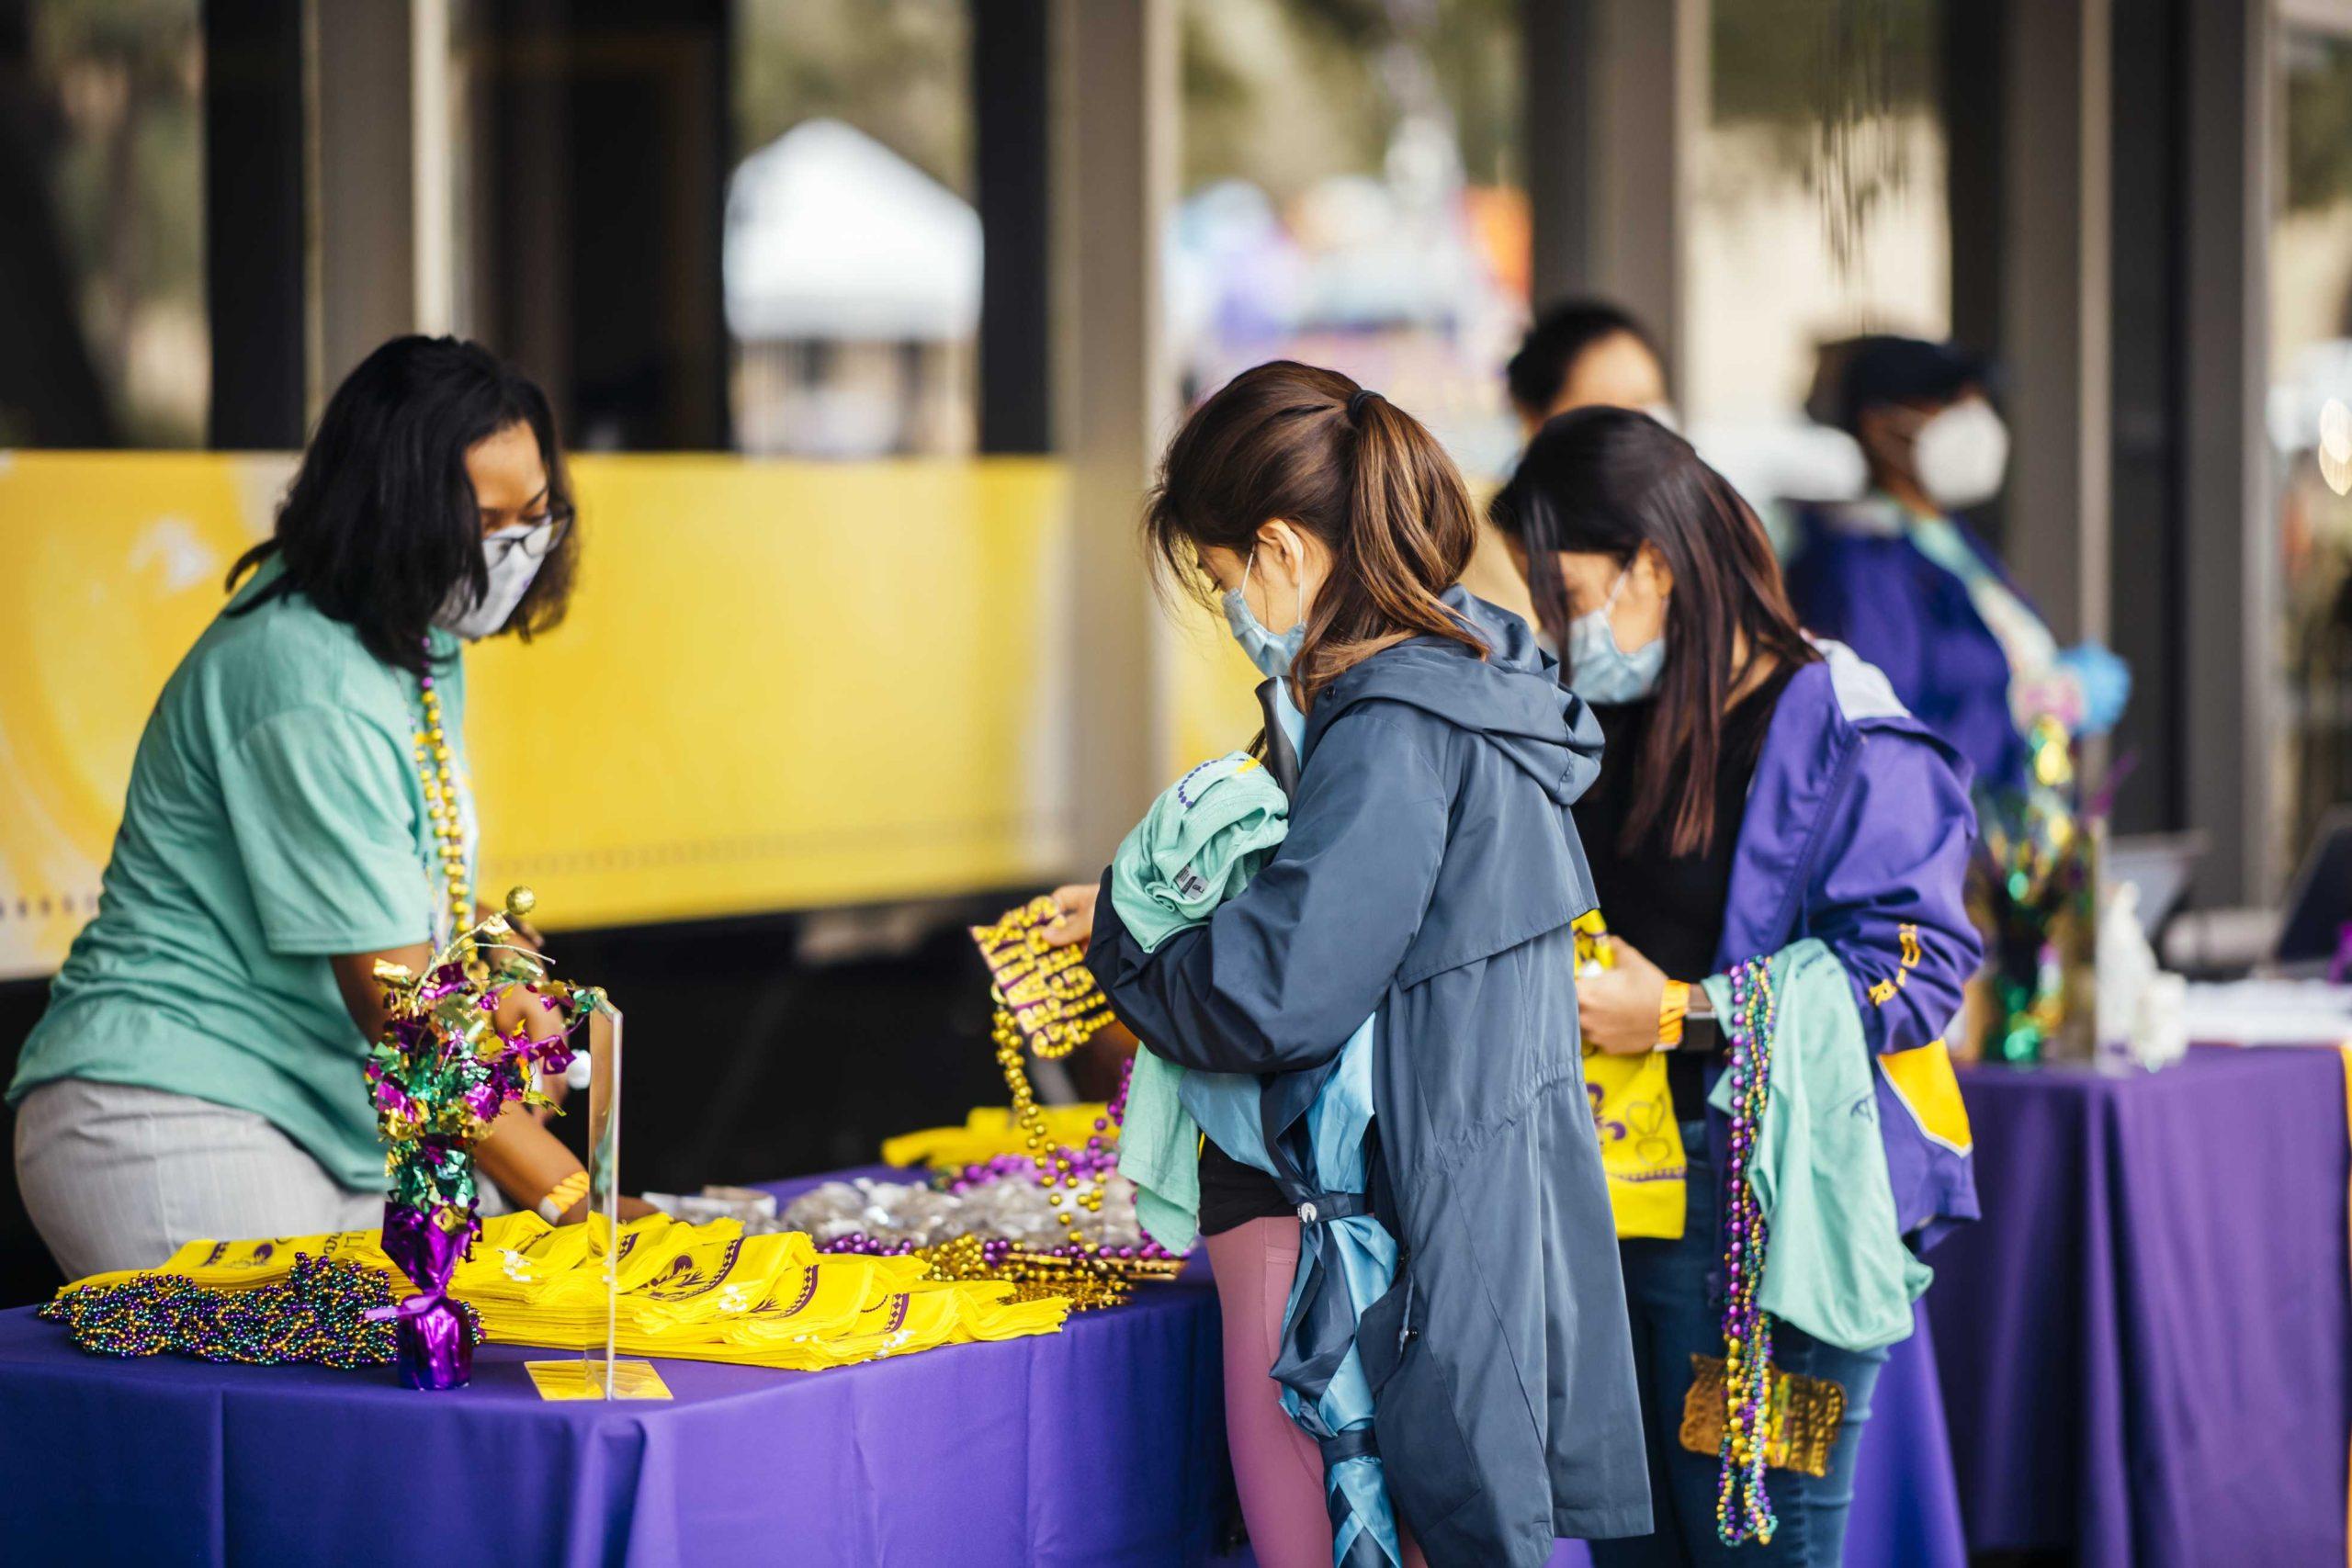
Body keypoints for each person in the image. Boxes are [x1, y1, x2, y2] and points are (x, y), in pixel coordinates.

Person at [1053, 362, 1651, 1568]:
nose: (1231, 610)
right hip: (1474, 1207)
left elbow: (1273, 992)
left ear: (1280, 549)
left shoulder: (1389, 720)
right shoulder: (1473, 675)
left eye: (1223, 579)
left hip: (1393, 1232)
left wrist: (1129, 931)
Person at [1496, 406, 1981, 1567]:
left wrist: (1680, 1011)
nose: (1555, 634)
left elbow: (1916, 968)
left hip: (1768, 1232)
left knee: (1764, 1541)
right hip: (1619, 1206)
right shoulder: (1605, 720)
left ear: (1652, 567)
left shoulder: (1843, 729)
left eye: (1564, 596)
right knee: (1635, 1545)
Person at [11, 336, 607, 1280]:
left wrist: (489, 956)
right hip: (175, 1118)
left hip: (325, 1119)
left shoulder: (409, 632)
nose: (517, 549)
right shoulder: (306, 676)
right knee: (316, 1419)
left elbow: (390, 884)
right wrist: (584, 1208)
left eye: (535, 516)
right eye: (485, 520)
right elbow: (402, 1015)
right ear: (393, 513)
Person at [1782, 334, 2126, 792]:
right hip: (1949, 843)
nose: (1975, 420)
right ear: (1880, 427)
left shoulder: (1949, 537)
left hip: (2008, 834)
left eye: (1977, 401)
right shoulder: (1858, 567)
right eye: (1949, 404)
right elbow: (1883, 741)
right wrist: (2029, 709)